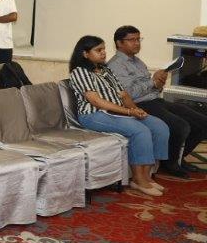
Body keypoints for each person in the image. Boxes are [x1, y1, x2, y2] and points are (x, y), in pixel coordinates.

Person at [69, 35, 170, 196]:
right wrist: (129, 112)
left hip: (117, 112)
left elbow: (124, 95)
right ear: (85, 54)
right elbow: (96, 101)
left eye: (104, 49)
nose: (103, 53)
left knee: (159, 126)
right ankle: (138, 180)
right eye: (98, 50)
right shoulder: (80, 72)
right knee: (140, 131)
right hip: (94, 115)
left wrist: (136, 109)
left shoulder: (105, 70)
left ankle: (147, 176)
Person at [109, 27, 207, 177]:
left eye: (138, 39)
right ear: (119, 43)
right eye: (132, 40)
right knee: (180, 125)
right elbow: (129, 93)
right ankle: (170, 163)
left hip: (155, 100)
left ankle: (178, 158)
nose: (137, 43)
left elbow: (151, 88)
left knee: (201, 122)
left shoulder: (137, 62)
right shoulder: (116, 65)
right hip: (138, 105)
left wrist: (158, 84)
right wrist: (153, 82)